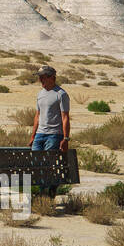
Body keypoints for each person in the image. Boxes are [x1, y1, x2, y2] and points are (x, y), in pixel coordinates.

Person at [29, 65, 71, 195]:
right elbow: (37, 115)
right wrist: (33, 135)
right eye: (40, 77)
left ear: (52, 78)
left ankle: (47, 192)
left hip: (54, 135)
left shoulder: (61, 94)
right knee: (36, 164)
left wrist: (65, 138)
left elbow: (65, 117)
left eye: (43, 77)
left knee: (48, 164)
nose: (41, 80)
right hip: (40, 135)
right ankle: (45, 189)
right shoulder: (40, 94)